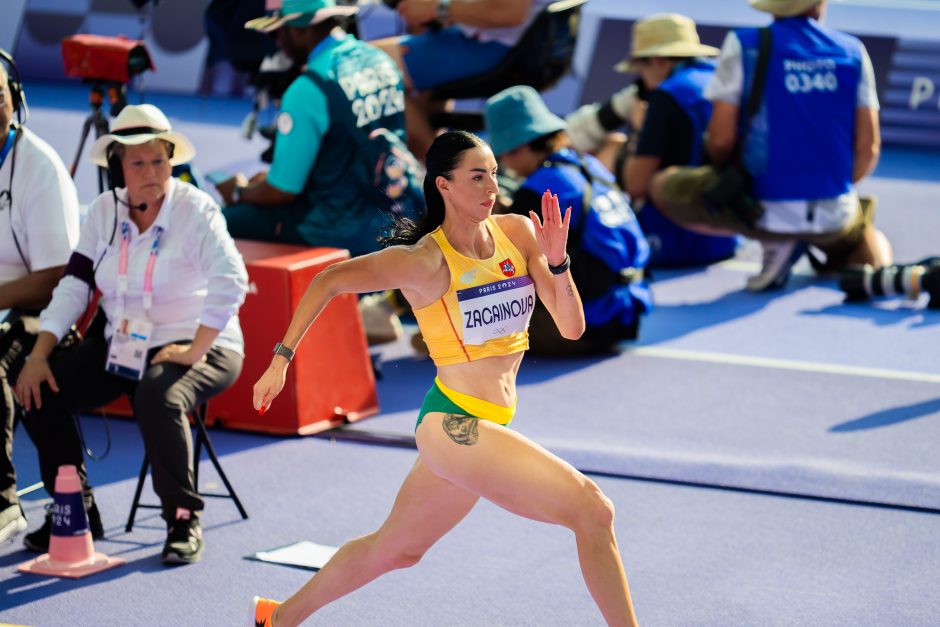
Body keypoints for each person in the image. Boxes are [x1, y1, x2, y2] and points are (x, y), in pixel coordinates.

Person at [250, 130, 639, 626]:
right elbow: (329, 279)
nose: (491, 186)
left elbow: (571, 326)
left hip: (485, 424)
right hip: (452, 426)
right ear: (445, 186)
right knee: (594, 511)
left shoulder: (518, 234)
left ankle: (276, 618)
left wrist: (559, 262)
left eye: (495, 173)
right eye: (477, 176)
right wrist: (281, 358)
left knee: (394, 551)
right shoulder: (423, 261)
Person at [14, 104, 248, 565]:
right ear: (118, 166)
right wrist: (39, 354)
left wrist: (198, 346)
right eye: (137, 162)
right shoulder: (104, 211)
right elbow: (73, 287)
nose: (151, 172)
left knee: (157, 395)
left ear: (171, 161)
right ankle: (74, 509)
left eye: (159, 160)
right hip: (127, 345)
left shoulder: (197, 209)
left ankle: (183, 519)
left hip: (204, 343)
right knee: (38, 388)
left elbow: (232, 279)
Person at [650, 0, 893, 291]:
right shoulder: (853, 50)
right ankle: (881, 279)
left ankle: (775, 241)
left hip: (760, 211)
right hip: (833, 213)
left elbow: (720, 140)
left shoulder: (743, 44)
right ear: (819, 4)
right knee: (861, 230)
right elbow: (869, 148)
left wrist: (727, 175)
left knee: (660, 184)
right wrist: (829, 186)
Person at [216, 0, 424, 259]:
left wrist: (238, 192)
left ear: (300, 29)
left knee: (223, 221)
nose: (276, 41)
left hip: (338, 231)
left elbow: (282, 191)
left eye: (278, 31)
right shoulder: (379, 59)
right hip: (399, 211)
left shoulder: (307, 89)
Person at [484, 85, 651, 355]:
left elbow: (503, 258)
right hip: (627, 312)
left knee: (477, 301)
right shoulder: (589, 165)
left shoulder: (538, 190)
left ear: (523, 144)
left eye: (506, 153)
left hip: (588, 323)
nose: (505, 163)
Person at [568, 14, 738, 268]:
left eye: (640, 68)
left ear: (657, 61)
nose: (640, 81)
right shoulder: (721, 81)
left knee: (611, 148)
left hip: (673, 244)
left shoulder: (667, 95)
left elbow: (636, 184)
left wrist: (639, 132)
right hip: (726, 237)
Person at [0, 50, 81, 544]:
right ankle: (71, 510)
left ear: (16, 101)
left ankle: (4, 503)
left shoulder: (39, 167)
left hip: (40, 312)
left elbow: (57, 276)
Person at [371, 0, 553, 161]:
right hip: (510, 43)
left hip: (499, 48)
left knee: (368, 64)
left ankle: (439, 170)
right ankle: (438, 168)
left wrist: (437, 7)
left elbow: (509, 12)